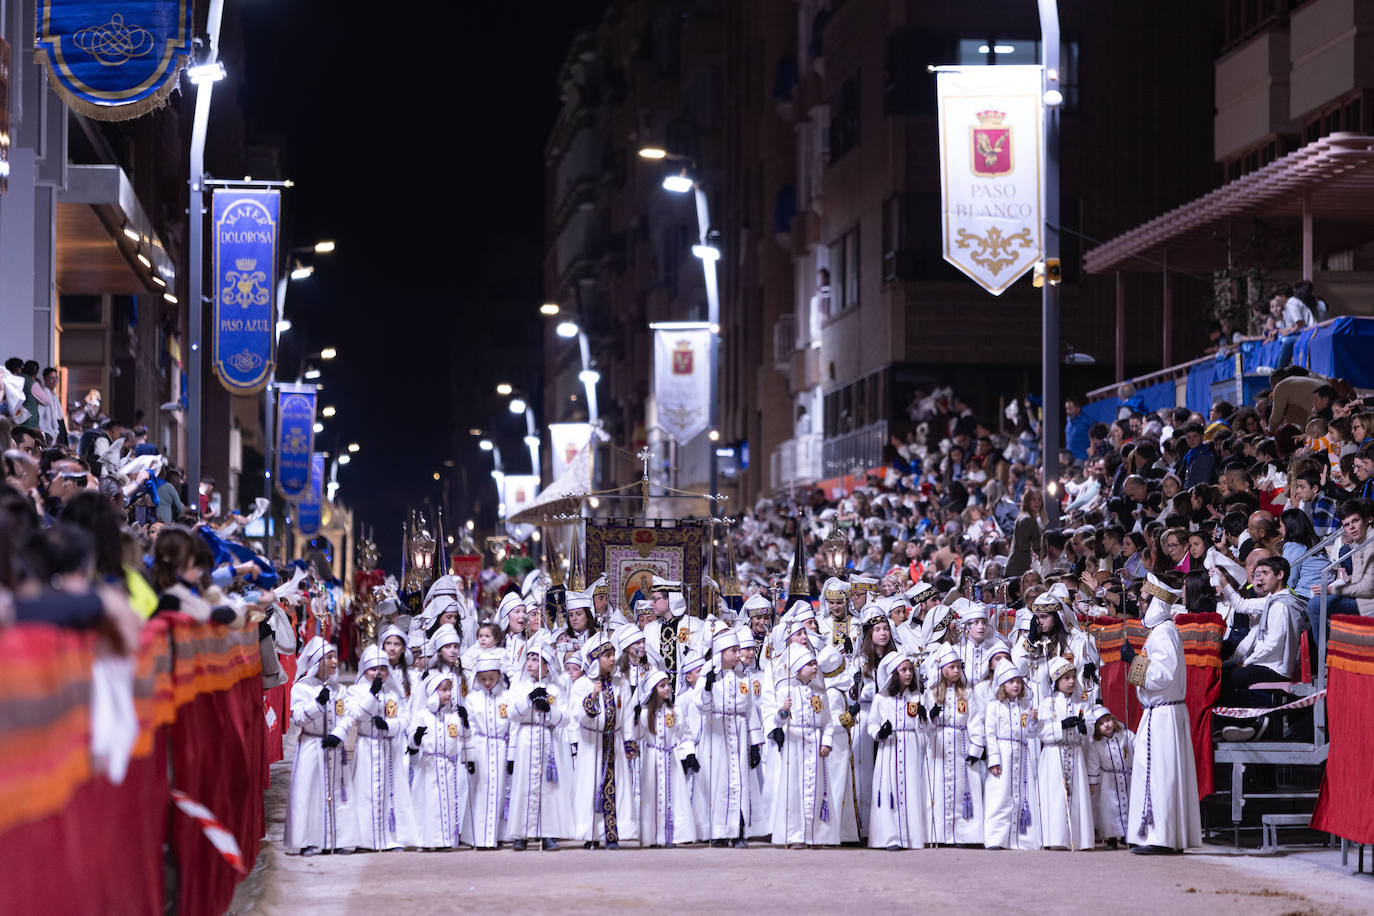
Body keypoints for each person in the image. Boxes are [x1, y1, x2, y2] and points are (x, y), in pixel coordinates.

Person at [1120, 577, 1202, 853]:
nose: (1139, 605)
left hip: (1163, 714)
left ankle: (1160, 836)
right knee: (1156, 772)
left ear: (1156, 603)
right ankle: (1156, 834)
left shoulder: (1164, 632)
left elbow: (1162, 675)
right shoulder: (1160, 631)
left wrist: (1134, 661)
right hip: (1160, 713)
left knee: (1159, 774)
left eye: (1144, 600)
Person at [326, 644, 418, 851]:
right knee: (364, 793)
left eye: (382, 669)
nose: (378, 673)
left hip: (389, 748)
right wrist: (372, 694)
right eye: (373, 669)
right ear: (365, 670)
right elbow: (356, 715)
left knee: (391, 793)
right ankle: (364, 839)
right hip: (366, 746)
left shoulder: (393, 693)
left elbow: (405, 718)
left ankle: (392, 838)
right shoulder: (356, 691)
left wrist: (390, 726)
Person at [695, 626, 763, 847]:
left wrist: (754, 744)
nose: (738, 654)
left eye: (738, 649)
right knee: (720, 782)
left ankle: (739, 830)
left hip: (739, 735)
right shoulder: (708, 676)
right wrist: (707, 687)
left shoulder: (743, 679)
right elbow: (701, 707)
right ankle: (718, 831)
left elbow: (750, 711)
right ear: (721, 653)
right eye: (733, 650)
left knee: (740, 782)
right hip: (717, 735)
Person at [763, 644, 835, 847]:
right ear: (798, 668)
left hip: (815, 744)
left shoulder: (819, 693)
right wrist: (783, 711)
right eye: (809, 664)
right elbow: (778, 721)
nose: (814, 667)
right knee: (794, 789)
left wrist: (827, 742)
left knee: (817, 789)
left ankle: (816, 834)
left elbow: (827, 721)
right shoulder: (786, 690)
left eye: (815, 664)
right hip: (795, 745)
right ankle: (794, 835)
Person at [505, 641, 573, 850]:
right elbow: (512, 714)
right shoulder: (519, 686)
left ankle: (548, 832)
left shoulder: (556, 689)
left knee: (548, 788)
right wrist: (529, 701)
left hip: (548, 739)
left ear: (546, 665)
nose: (530, 663)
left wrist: (549, 710)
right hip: (526, 738)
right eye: (529, 659)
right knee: (523, 786)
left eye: (536, 659)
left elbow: (566, 719)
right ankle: (521, 833)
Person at [571, 637, 638, 848]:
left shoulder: (621, 684)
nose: (612, 659)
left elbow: (627, 714)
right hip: (592, 743)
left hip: (613, 742)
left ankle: (613, 834)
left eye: (613, 655)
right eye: (607, 656)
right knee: (590, 787)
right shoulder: (582, 684)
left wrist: (629, 741)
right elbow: (577, 715)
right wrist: (592, 696)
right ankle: (591, 834)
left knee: (617, 786)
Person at [284, 637, 346, 855]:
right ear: (316, 662)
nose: (334, 662)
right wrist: (318, 704)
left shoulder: (339, 689)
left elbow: (346, 716)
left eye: (334, 657)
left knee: (336, 792)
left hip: (333, 746)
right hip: (311, 745)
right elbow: (298, 717)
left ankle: (335, 840)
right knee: (308, 792)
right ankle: (307, 840)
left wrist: (338, 733)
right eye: (328, 658)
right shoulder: (301, 688)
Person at [867, 652, 930, 850]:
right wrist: (880, 733)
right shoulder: (881, 699)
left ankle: (912, 837)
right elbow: (871, 724)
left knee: (911, 789)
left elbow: (925, 730)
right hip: (889, 747)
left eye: (910, 669)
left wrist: (923, 718)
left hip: (910, 747)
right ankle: (889, 837)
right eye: (903, 670)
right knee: (889, 791)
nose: (908, 673)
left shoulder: (917, 697)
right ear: (894, 674)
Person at [923, 644, 984, 846]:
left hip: (961, 745)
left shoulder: (966, 693)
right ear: (942, 669)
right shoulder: (931, 693)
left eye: (959, 667)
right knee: (938, 790)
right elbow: (925, 726)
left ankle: (963, 834)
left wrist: (976, 748)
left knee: (962, 790)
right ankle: (938, 834)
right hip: (939, 746)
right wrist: (931, 717)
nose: (956, 671)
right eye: (952, 667)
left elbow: (974, 721)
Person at [405, 673, 471, 850]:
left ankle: (444, 840)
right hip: (428, 766)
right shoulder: (422, 715)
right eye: (443, 690)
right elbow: (412, 742)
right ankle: (426, 840)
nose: (448, 694)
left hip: (447, 766)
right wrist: (417, 737)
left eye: (449, 690)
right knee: (429, 803)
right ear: (433, 692)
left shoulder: (453, 716)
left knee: (446, 803)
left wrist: (465, 722)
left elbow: (465, 737)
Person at [634, 668, 698, 848]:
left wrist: (689, 753)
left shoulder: (675, 710)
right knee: (652, 796)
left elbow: (684, 734)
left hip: (671, 758)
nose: (667, 688)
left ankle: (675, 835)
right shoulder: (645, 713)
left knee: (675, 795)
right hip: (652, 759)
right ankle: (654, 836)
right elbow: (637, 735)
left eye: (668, 684)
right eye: (662, 686)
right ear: (653, 690)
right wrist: (635, 719)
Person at [982, 658, 1040, 850]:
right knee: (1000, 796)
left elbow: (1030, 733)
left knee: (1022, 795)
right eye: (1011, 682)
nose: (1015, 685)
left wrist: (1033, 721)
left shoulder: (1024, 706)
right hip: (1003, 753)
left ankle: (1022, 839)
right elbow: (990, 734)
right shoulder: (994, 706)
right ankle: (996, 838)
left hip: (1021, 754)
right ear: (1002, 685)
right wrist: (994, 760)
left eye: (1018, 682)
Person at [1036, 657, 1094, 850]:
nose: (1071, 681)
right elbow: (1042, 732)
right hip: (1054, 754)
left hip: (1075, 753)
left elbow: (1091, 725)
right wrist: (1061, 725)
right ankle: (1055, 838)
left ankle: (1079, 839)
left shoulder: (1082, 703)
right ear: (1056, 681)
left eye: (1073, 677)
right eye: (1066, 678)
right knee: (1055, 797)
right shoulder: (1048, 703)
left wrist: (1085, 729)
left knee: (1077, 796)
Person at [461, 649, 512, 848]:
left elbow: (513, 725)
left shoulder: (507, 697)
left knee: (500, 790)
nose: (488, 683)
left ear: (499, 675)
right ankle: (478, 836)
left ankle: (497, 835)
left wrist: (512, 754)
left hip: (501, 746)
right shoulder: (472, 699)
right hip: (481, 746)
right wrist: (469, 756)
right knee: (480, 789)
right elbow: (469, 728)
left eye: (492, 678)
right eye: (483, 679)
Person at [1305, 499, 1374, 630]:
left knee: (1315, 605)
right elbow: (1363, 577)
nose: (1351, 527)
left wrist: (1332, 590)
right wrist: (1345, 581)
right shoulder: (1360, 541)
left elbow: (1367, 588)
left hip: (1368, 603)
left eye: (1355, 521)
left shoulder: (1371, 544)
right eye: (1347, 525)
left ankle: (1324, 644)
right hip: (1363, 597)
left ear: (1367, 520)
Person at [1084, 705, 1133, 850]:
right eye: (1101, 723)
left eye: (1108, 720)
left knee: (1129, 805)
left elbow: (1137, 744)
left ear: (1113, 720)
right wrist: (1092, 783)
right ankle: (1111, 837)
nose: (1106, 725)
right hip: (1107, 781)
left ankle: (1128, 835)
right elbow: (1093, 764)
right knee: (1109, 810)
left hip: (1126, 777)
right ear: (1096, 728)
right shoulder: (1095, 744)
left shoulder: (1126, 735)